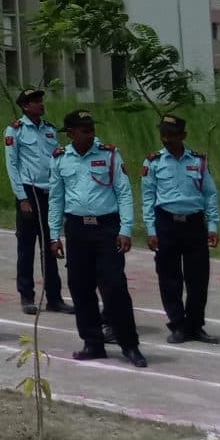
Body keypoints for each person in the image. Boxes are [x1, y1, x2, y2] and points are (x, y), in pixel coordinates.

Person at [47, 109, 147, 366]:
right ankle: (92, 342)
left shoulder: (110, 155)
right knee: (80, 287)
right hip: (77, 229)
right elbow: (56, 199)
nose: (90, 134)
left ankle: (129, 344)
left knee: (114, 287)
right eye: (84, 130)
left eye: (91, 129)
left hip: (106, 228)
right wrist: (53, 235)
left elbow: (124, 193)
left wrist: (126, 229)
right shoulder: (60, 158)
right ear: (70, 134)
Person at [141, 113, 220, 344]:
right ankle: (177, 324)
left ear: (183, 136)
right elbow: (147, 198)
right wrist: (151, 230)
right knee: (169, 278)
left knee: (198, 279)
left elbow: (210, 194)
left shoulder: (198, 161)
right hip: (166, 223)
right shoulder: (153, 162)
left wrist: (213, 225)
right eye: (163, 134)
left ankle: (195, 325)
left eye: (172, 135)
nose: (166, 139)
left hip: (194, 225)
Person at [3, 87, 67, 316]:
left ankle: (55, 297)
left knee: (50, 244)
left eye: (41, 100)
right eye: (35, 101)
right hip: (29, 192)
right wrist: (22, 197)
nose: (41, 104)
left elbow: (56, 160)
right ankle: (27, 296)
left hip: (50, 191)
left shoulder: (49, 129)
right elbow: (12, 166)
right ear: (25, 106)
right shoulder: (15, 130)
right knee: (27, 247)